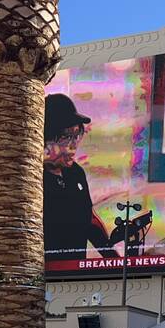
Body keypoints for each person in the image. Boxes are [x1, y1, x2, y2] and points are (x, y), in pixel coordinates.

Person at [43, 93, 117, 262]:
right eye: (66, 137)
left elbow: (90, 221)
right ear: (45, 138)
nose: (74, 144)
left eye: (76, 136)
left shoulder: (75, 173)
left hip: (75, 275)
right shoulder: (32, 178)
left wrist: (115, 261)